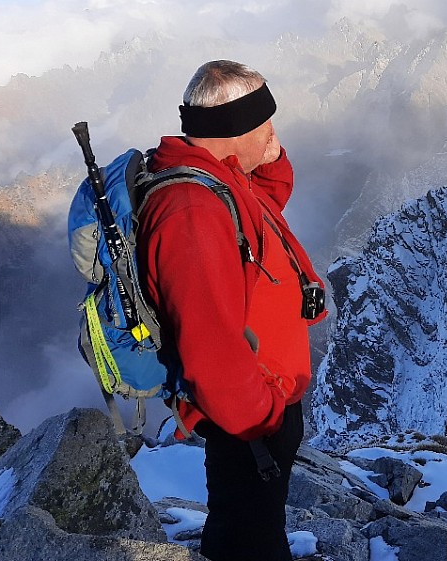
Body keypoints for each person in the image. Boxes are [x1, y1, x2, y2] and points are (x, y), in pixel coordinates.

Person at [137, 60, 327, 560]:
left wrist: (269, 154)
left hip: (263, 401)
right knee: (250, 540)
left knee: (253, 527)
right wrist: (263, 420)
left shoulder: (219, 179)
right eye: (264, 123)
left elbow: (265, 204)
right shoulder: (191, 211)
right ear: (233, 129)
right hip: (247, 419)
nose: (273, 132)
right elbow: (210, 346)